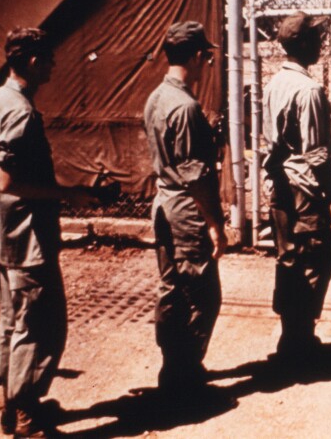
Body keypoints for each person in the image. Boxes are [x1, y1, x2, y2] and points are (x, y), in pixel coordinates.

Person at [0, 27, 98, 437]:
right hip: (28, 239)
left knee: (14, 323)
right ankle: (25, 414)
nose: (52, 66)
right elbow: (9, 182)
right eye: (47, 59)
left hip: (5, 234)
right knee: (41, 327)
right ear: (30, 61)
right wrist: (69, 195)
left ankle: (14, 406)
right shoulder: (20, 112)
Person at [143, 20, 228, 392]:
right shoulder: (186, 106)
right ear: (195, 56)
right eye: (205, 56)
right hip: (186, 208)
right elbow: (196, 177)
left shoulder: (157, 97)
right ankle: (185, 373)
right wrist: (215, 224)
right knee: (203, 294)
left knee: (171, 289)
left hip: (163, 203)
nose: (206, 61)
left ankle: (172, 366)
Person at [262, 11, 331, 361]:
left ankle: (290, 339)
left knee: (289, 260)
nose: (321, 43)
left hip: (279, 183)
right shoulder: (309, 89)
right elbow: (317, 155)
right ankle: (299, 342)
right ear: (303, 44)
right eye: (316, 38)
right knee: (317, 259)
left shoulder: (274, 83)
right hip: (305, 189)